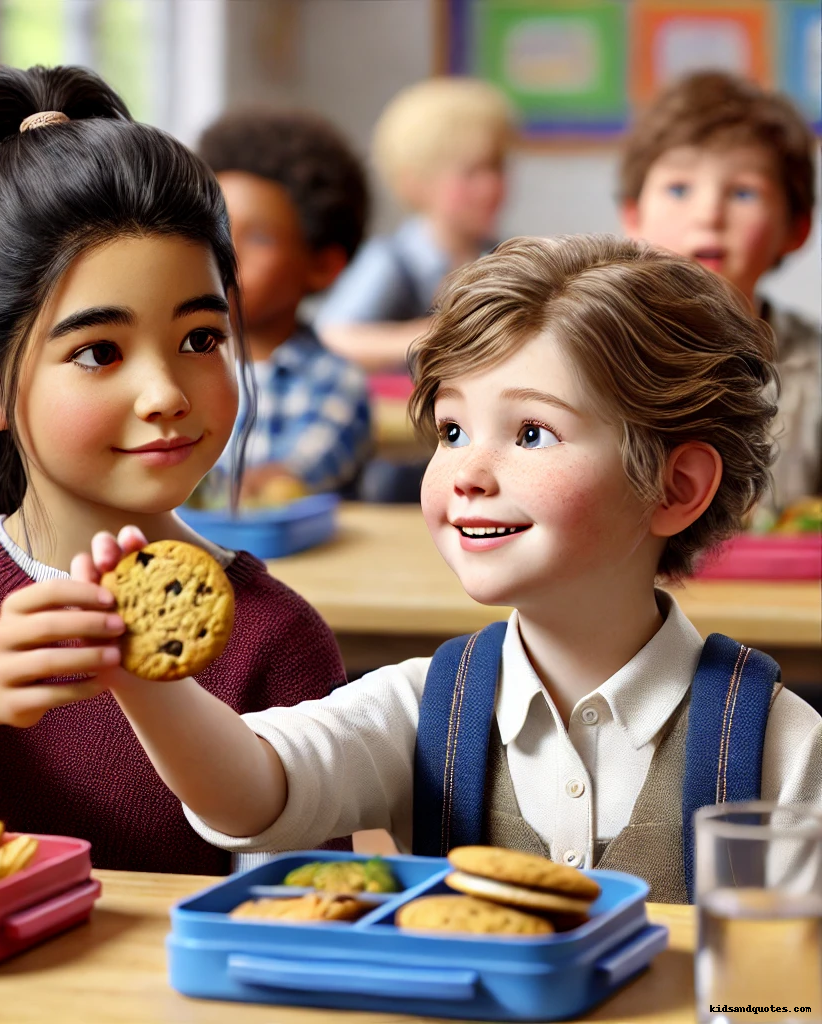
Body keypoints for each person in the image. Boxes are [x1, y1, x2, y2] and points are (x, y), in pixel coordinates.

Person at [72, 235, 821, 903]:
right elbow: (250, 795)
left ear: (675, 487)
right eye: (454, 429)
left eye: (531, 433)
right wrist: (143, 679)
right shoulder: (426, 706)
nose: (467, 471)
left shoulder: (779, 748)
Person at [0, 65, 350, 874]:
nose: (167, 393)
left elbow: (304, 888)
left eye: (201, 339)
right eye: (100, 352)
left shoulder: (277, 634)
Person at [620, 70, 820, 514]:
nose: (709, 214)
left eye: (743, 193)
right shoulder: (597, 351)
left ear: (796, 228)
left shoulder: (816, 367)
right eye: (679, 188)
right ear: (633, 217)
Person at [197, 110, 372, 501]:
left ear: (322, 266)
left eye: (258, 238)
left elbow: (284, 484)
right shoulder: (178, 363)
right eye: (214, 229)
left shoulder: (335, 382)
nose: (224, 254)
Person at [316, 77, 515, 373]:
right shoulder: (393, 260)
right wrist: (439, 332)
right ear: (416, 180)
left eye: (497, 168)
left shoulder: (503, 257)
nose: (492, 187)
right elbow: (333, 337)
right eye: (472, 173)